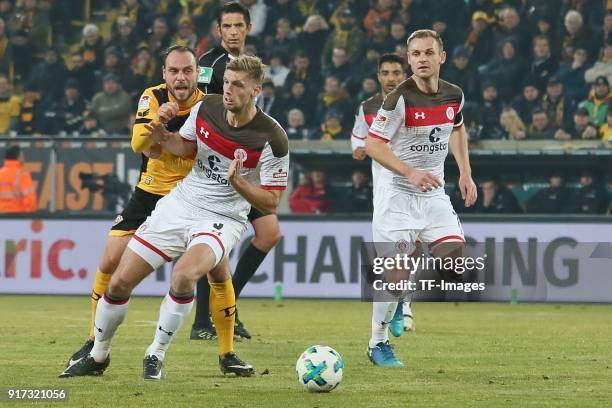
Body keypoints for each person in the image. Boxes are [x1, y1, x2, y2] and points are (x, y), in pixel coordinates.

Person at [59, 54, 288, 380]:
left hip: (222, 217)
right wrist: (163, 136)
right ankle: (98, 355)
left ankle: (156, 352)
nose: (228, 91)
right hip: (181, 203)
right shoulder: (207, 107)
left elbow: (273, 200)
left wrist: (239, 184)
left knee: (183, 275)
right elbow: (184, 146)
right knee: (120, 281)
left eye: (237, 85)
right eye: (226, 83)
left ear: (255, 91)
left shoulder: (272, 137)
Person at [60, 45, 205, 371]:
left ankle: (226, 351)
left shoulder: (207, 105)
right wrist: (158, 119)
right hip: (150, 190)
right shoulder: (152, 97)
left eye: (187, 71)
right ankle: (94, 342)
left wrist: (165, 140)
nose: (181, 78)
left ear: (197, 73)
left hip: (191, 195)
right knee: (110, 261)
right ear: (164, 74)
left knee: (214, 272)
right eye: (174, 71)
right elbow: (138, 143)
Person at [365, 30, 477, 367]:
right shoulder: (399, 99)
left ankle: (400, 293)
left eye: (429, 53)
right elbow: (373, 145)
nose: (422, 59)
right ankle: (377, 343)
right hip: (397, 196)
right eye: (415, 54)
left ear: (441, 57)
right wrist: (409, 172)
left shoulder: (453, 95)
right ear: (409, 58)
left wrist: (465, 172)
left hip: (433, 193)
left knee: (455, 264)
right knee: (396, 273)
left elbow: (456, 128)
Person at [195, 1, 282, 341]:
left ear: (248, 29)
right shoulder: (207, 64)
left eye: (238, 26)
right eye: (226, 27)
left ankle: (226, 310)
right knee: (219, 245)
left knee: (268, 234)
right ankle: (203, 321)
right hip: (215, 165)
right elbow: (199, 108)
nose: (232, 32)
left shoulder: (250, 65)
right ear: (219, 31)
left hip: (244, 164)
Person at [350, 53, 415, 337]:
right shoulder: (367, 108)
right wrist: (359, 148)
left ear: (405, 75)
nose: (391, 78)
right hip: (385, 187)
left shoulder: (417, 103)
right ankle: (399, 305)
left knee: (410, 246)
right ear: (378, 76)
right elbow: (357, 139)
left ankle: (404, 305)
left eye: (396, 73)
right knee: (393, 252)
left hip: (415, 183)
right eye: (386, 73)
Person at [0, 145, 36, 213]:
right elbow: (30, 201)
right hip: (18, 216)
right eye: (22, 157)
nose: (24, 159)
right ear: (19, 158)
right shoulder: (22, 175)